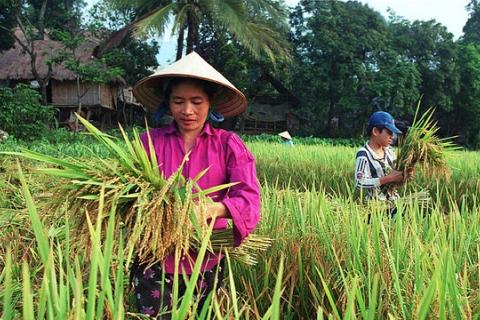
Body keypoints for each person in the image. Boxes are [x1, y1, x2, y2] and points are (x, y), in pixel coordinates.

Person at [131, 52, 261, 317]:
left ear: (210, 102)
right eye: (178, 101)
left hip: (209, 250)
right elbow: (130, 192)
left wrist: (214, 209)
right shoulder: (148, 143)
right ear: (168, 103)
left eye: (196, 101)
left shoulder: (228, 144)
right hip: (155, 251)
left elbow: (249, 198)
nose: (187, 110)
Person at [354, 111, 405, 213]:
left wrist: (404, 176)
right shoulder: (364, 154)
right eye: (389, 132)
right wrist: (389, 178)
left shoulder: (390, 152)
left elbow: (395, 181)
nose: (392, 136)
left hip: (395, 204)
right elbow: (359, 182)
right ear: (376, 131)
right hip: (375, 208)